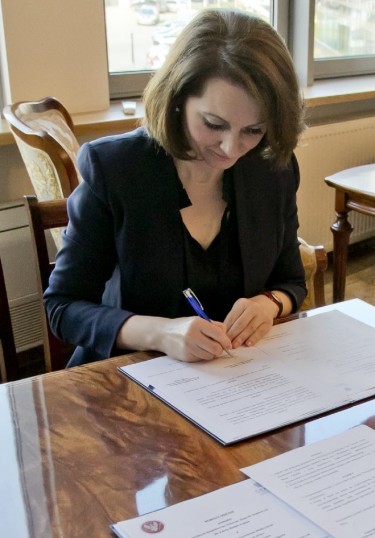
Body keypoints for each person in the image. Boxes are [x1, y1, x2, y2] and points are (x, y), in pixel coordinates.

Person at [45, 10, 307, 367]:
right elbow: (62, 307)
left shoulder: (272, 169)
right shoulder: (117, 169)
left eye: (253, 130)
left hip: (234, 374)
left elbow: (291, 280)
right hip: (131, 371)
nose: (231, 149)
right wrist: (160, 332)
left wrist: (269, 304)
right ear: (178, 99)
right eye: (214, 124)